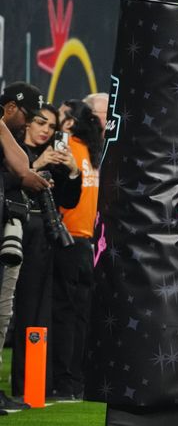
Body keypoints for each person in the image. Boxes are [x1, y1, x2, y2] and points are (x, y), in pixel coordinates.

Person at [7, 102, 81, 398]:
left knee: (40, 311)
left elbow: (70, 200)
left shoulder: (54, 160)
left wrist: (73, 170)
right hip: (14, 232)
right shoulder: (12, 153)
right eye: (40, 123)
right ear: (26, 122)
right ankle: (23, 384)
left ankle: (34, 385)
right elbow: (10, 183)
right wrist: (33, 167)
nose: (44, 130)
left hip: (45, 238)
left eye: (51, 126)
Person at [51, 99, 103, 398]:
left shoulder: (65, 145)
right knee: (82, 314)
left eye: (59, 116)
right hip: (89, 242)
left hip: (66, 237)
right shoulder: (95, 153)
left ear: (69, 122)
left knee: (62, 312)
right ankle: (77, 379)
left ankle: (62, 380)